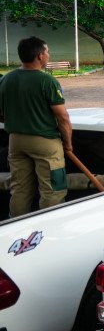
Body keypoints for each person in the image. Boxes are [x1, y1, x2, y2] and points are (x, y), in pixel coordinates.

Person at [0, 36, 72, 215]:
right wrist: (68, 143)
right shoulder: (47, 81)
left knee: (19, 189)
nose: (48, 55)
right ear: (40, 56)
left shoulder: (6, 80)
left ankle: (16, 228)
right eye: (47, 52)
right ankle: (49, 229)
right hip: (44, 141)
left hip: (15, 141)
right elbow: (63, 118)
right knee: (52, 190)